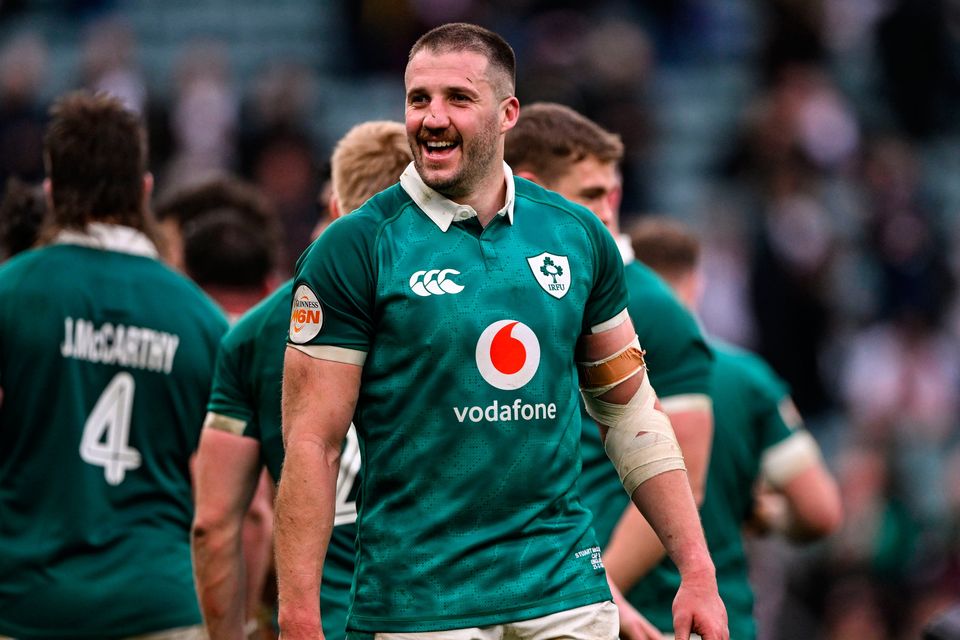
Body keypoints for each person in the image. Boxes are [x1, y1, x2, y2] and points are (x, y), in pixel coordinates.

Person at [276, 22, 726, 640]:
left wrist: (697, 570)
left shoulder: (577, 235)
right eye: (418, 99)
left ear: (508, 113)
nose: (433, 118)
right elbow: (313, 444)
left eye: (458, 98)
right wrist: (298, 618)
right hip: (420, 607)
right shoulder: (354, 249)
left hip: (566, 596)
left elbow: (629, 412)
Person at [0, 91, 227, 639]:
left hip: (29, 602)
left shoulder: (10, 294)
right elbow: (228, 501)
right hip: (159, 603)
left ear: (51, 192)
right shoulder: (203, 320)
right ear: (145, 189)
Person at [191, 119, 413, 640]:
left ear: (334, 206)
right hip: (431, 617)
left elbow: (215, 524)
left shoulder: (253, 334)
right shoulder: (458, 312)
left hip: (316, 622)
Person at [504, 102, 715, 636]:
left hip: (629, 604)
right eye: (591, 194)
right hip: (536, 585)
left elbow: (686, 477)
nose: (607, 210)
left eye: (611, 193)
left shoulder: (650, 308)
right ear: (529, 188)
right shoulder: (515, 293)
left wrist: (598, 591)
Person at [620, 217, 843, 639]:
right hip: (716, 620)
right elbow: (820, 511)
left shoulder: (582, 374)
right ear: (696, 283)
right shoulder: (745, 379)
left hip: (615, 619)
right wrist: (764, 515)